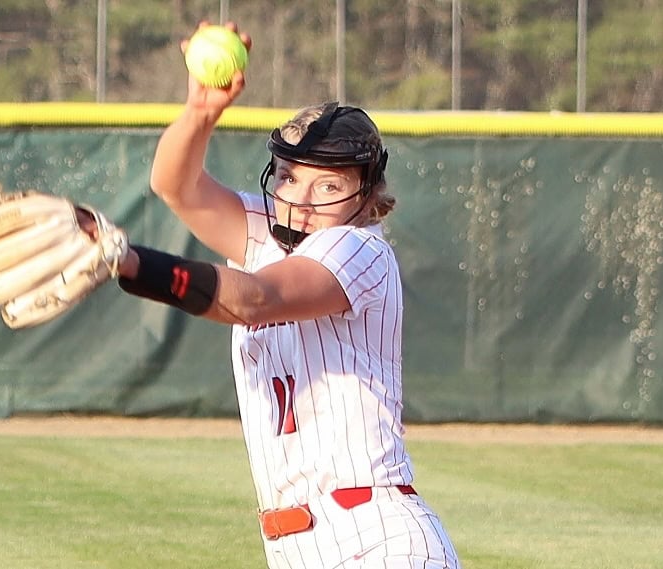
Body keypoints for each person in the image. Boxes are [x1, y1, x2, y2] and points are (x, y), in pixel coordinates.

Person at [109, 22, 462, 569]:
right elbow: (175, 185)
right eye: (291, 177)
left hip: (376, 538)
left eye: (330, 185)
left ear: (368, 195)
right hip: (301, 548)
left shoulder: (359, 248)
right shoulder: (266, 236)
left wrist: (134, 264)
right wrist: (200, 111)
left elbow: (255, 299)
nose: (303, 199)